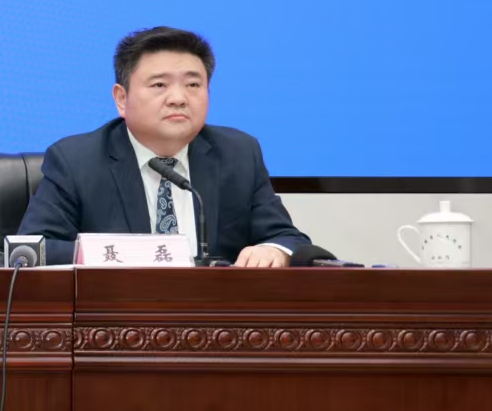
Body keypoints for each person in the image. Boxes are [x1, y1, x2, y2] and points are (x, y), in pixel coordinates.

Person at [16, 26, 307, 267]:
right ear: (121, 99)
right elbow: (32, 250)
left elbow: (289, 239)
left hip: (214, 314)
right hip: (117, 312)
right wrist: (131, 254)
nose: (178, 98)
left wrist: (274, 250)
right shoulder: (77, 160)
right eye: (159, 85)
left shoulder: (238, 153)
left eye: (193, 85)